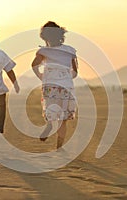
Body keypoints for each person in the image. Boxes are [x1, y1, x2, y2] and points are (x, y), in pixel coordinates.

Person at [31, 21, 78, 149]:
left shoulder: (44, 51)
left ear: (44, 37)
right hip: (66, 87)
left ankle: (49, 125)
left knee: (51, 110)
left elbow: (34, 65)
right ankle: (59, 147)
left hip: (50, 86)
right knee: (63, 120)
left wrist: (41, 76)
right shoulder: (70, 51)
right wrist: (68, 79)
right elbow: (75, 71)